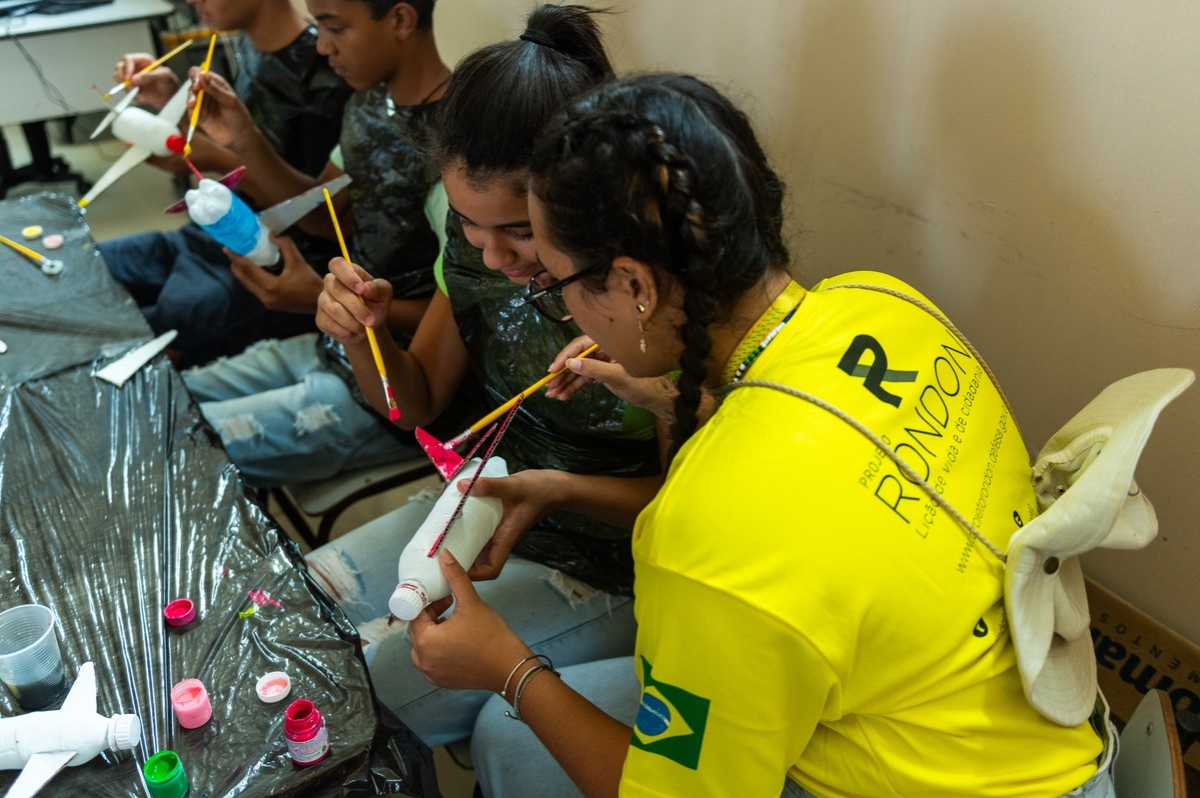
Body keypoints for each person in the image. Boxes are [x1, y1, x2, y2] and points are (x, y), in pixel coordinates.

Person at [406, 73, 1117, 798]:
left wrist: (506, 667)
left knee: (511, 720)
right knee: (511, 740)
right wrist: (644, 414)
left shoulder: (709, 533)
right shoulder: (883, 302)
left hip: (954, 780)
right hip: (1039, 730)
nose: (571, 316)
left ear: (634, 285)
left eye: (557, 284)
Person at [305, 5, 663, 750]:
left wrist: (553, 490)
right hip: (484, 510)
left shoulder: (647, 298)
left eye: (520, 231)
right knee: (302, 610)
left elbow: (680, 517)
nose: (492, 254)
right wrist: (366, 335)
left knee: (371, 690)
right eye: (469, 225)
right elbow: (418, 403)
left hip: (604, 563)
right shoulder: (475, 249)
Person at [171, 0, 451, 485]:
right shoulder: (369, 105)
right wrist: (245, 140)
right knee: (164, 403)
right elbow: (325, 216)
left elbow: (462, 317)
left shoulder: (456, 148)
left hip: (394, 385)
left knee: (177, 451)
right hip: (334, 344)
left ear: (401, 20)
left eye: (336, 28)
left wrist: (330, 302)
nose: (321, 46)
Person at [99, 0, 353, 368]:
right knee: (91, 267)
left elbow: (319, 216)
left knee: (125, 344)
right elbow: (241, 139)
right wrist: (173, 98)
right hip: (211, 236)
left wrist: (217, 160)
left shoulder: (330, 73)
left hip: (272, 260)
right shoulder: (248, 45)